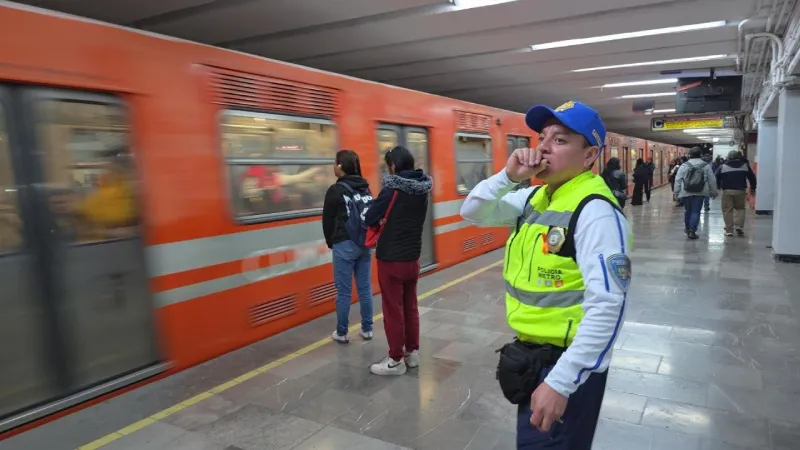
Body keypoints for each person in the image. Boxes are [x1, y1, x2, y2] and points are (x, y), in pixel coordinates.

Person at [460, 100, 632, 450]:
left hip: (566, 366)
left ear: (589, 155)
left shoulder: (595, 212)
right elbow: (472, 210)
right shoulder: (535, 198)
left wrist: (561, 383)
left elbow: (608, 306)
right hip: (532, 359)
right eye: (542, 137)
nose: (543, 147)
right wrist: (508, 177)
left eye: (561, 140)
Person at [364, 146, 433, 376]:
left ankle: (395, 360)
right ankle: (412, 354)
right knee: (410, 307)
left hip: (391, 259)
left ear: (393, 166)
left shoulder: (391, 191)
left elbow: (370, 218)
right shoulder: (423, 190)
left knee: (393, 310)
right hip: (412, 258)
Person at [322, 150, 374, 344]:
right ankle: (367, 329)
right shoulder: (365, 186)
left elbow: (327, 222)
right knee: (365, 288)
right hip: (364, 243)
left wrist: (331, 242)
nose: (333, 166)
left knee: (344, 292)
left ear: (340, 166)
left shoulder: (335, 190)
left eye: (335, 163)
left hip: (344, 244)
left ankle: (342, 332)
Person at [673, 147, 718, 240]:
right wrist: (713, 192)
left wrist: (676, 193)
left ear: (690, 155)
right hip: (700, 192)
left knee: (688, 211)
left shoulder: (684, 165)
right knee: (696, 211)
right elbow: (712, 180)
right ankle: (692, 231)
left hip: (686, 192)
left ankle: (687, 228)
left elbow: (677, 180)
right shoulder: (705, 165)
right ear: (700, 155)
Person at [715, 150, 757, 237]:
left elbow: (716, 176)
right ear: (738, 157)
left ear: (728, 157)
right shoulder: (745, 166)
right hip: (740, 191)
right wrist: (753, 188)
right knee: (740, 208)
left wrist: (718, 186)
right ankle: (739, 226)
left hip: (727, 191)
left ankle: (729, 230)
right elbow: (752, 177)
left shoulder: (722, 166)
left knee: (727, 210)